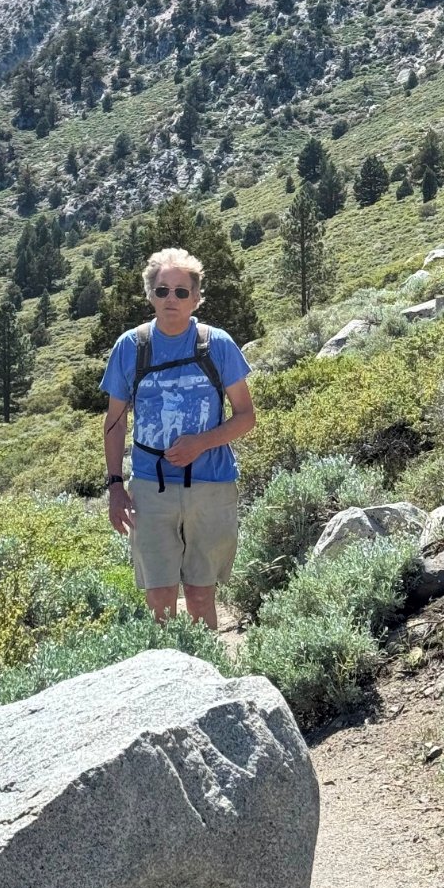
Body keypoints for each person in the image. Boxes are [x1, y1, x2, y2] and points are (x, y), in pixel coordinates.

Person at [100, 245, 255, 630]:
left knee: (201, 594)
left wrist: (200, 443)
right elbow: (115, 422)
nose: (171, 298)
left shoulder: (217, 344)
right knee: (159, 597)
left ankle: (204, 665)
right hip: (150, 489)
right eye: (162, 290)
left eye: (181, 291)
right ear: (150, 295)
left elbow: (246, 416)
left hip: (211, 486)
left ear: (196, 298)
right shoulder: (130, 347)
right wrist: (115, 485)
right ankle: (168, 664)